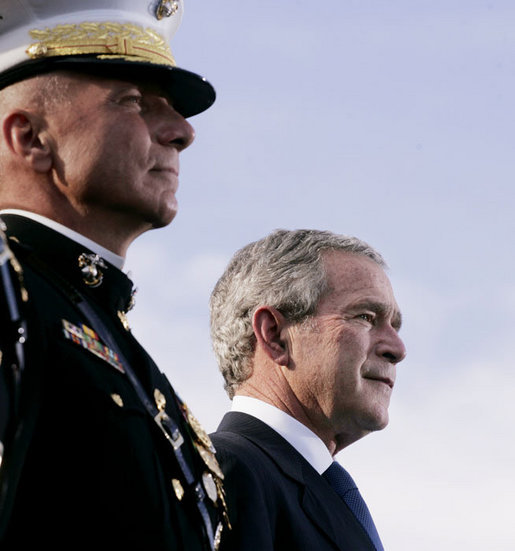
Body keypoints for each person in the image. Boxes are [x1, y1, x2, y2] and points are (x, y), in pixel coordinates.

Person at [0, 2, 228, 549]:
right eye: (133, 101)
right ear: (30, 138)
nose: (181, 132)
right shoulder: (11, 289)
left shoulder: (108, 333)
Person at [209, 229, 407, 551]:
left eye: (395, 326)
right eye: (365, 317)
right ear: (274, 335)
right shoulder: (228, 471)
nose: (397, 349)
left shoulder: (322, 488)